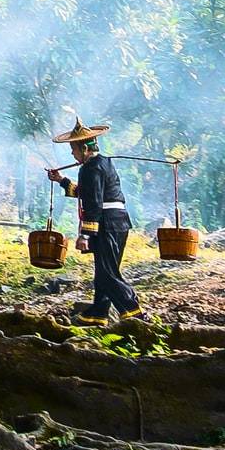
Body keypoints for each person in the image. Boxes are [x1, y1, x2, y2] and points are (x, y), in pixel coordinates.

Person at [47, 114, 142, 322]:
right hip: (118, 223)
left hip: (107, 224)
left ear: (84, 148)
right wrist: (62, 180)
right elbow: (86, 193)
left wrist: (86, 235)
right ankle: (99, 313)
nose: (72, 154)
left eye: (73, 149)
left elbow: (94, 203)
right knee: (104, 270)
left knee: (107, 274)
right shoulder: (103, 164)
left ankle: (135, 312)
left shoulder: (91, 168)